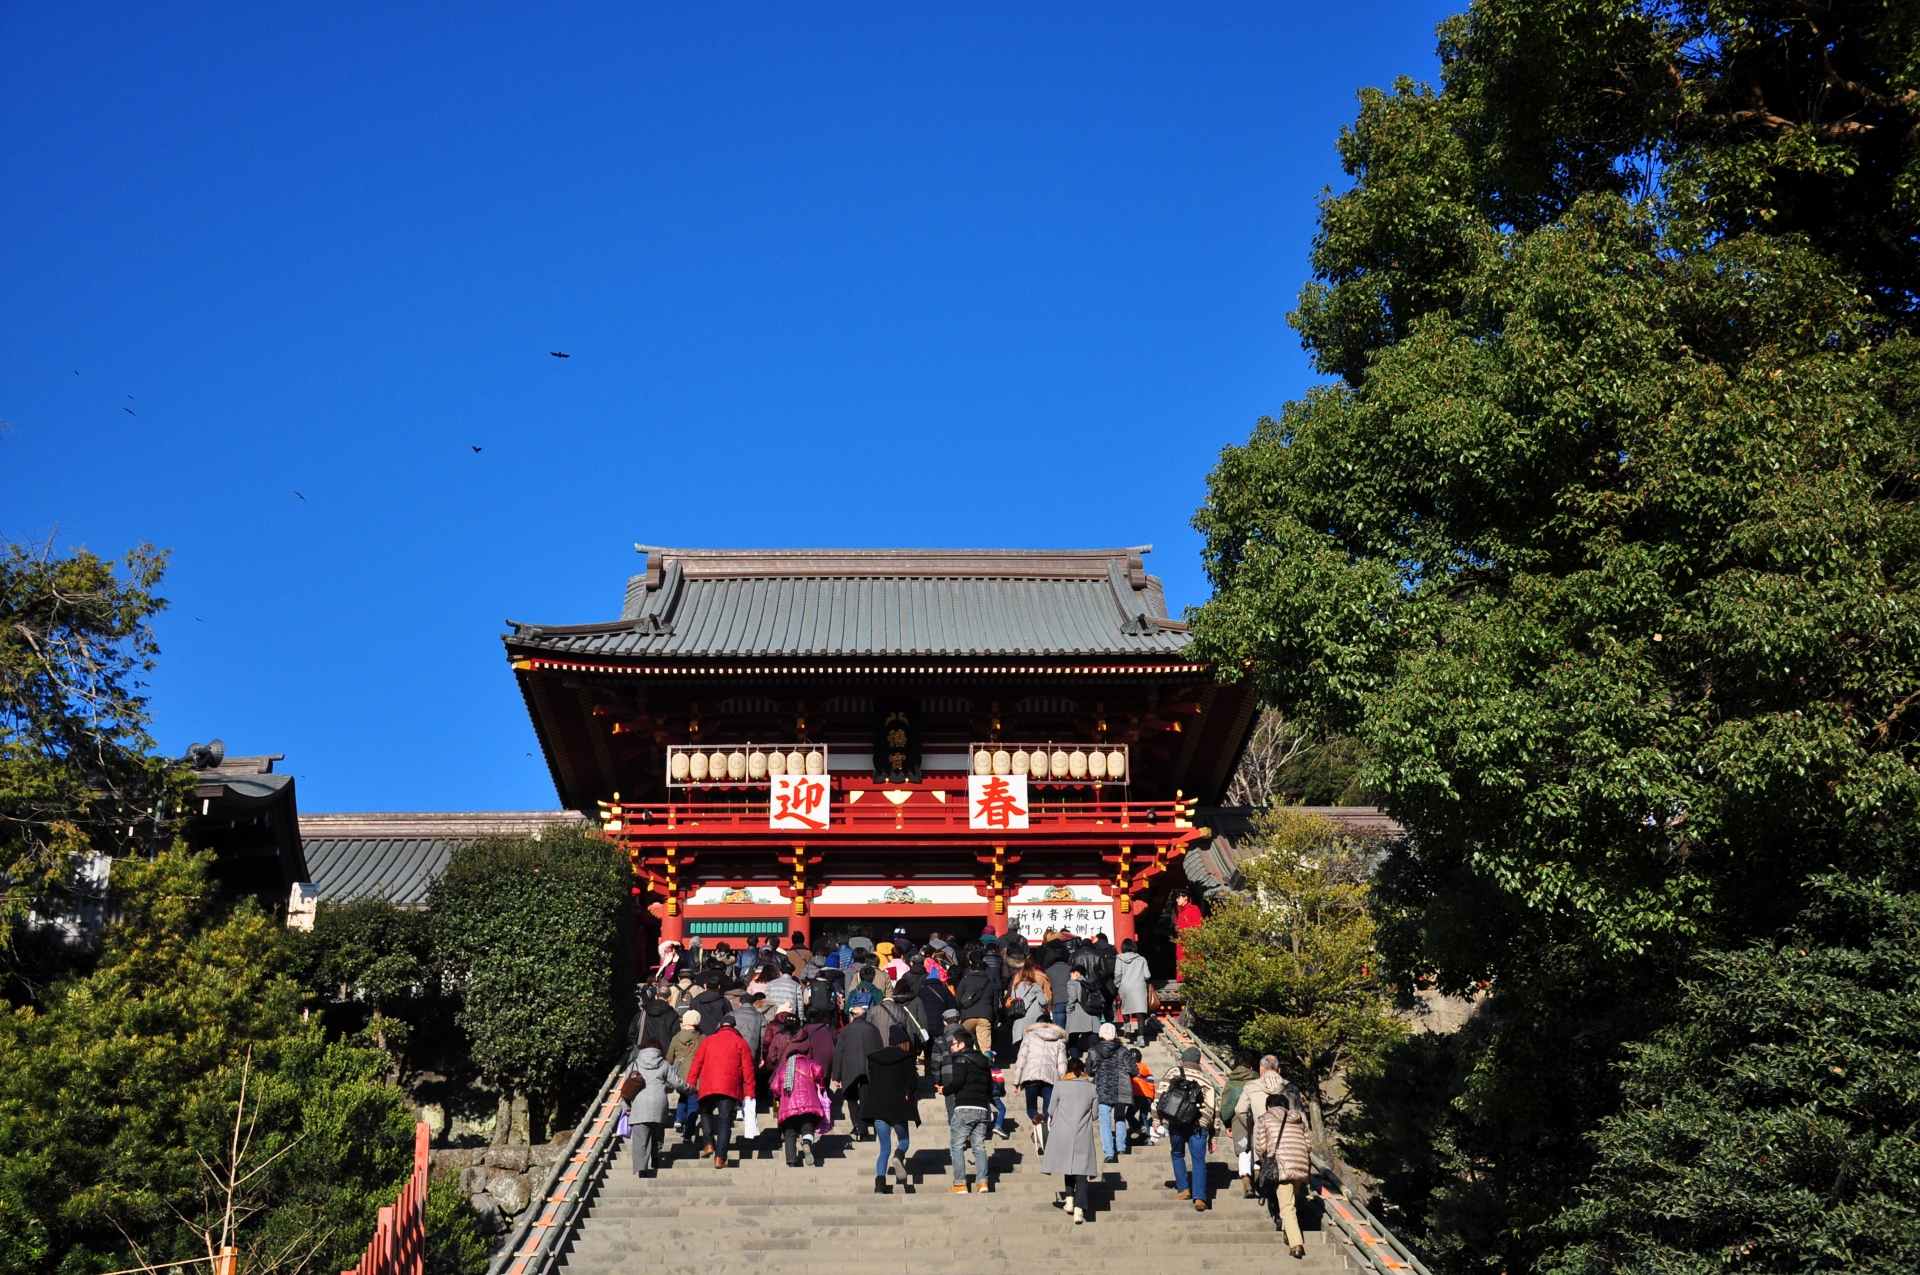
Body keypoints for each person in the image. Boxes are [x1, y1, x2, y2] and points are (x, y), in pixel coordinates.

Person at [683, 1012, 756, 1168]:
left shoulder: (708, 1041)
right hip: (729, 1087)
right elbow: (748, 1071)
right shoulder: (741, 1043)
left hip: (707, 1085)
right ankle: (720, 1158)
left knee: (705, 1112)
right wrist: (750, 1093)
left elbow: (696, 1064)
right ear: (735, 1027)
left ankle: (708, 1143)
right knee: (724, 1122)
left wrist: (690, 1084)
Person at [1041, 1055, 1102, 1224]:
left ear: (1067, 1070)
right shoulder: (1092, 1088)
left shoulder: (1060, 1086)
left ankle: (1069, 1198)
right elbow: (1095, 1115)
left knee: (1068, 1165)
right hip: (1082, 1133)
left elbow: (1051, 1109)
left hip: (1062, 1132)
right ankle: (1079, 1209)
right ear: (1082, 1071)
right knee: (1081, 1172)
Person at [1156, 1045, 1219, 1211]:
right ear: (1198, 1062)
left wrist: (1156, 1120)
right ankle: (1200, 1198)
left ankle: (1183, 1189)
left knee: (1177, 1154)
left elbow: (1161, 1096)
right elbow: (1215, 1109)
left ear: (1182, 1060)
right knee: (1199, 1161)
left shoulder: (1173, 1073)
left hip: (1177, 1121)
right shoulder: (1207, 1080)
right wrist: (1214, 1135)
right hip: (1200, 1124)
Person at [861, 1024, 921, 1193]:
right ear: (903, 1042)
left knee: (883, 1148)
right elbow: (913, 1083)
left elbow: (872, 1079)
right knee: (904, 1140)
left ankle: (879, 1185)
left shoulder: (874, 1058)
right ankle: (899, 1156)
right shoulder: (906, 1058)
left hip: (878, 1108)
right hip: (899, 1107)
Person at [1254, 1088, 1313, 1257]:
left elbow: (1260, 1146)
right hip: (1300, 1166)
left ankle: (1296, 1245)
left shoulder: (1265, 1119)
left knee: (1286, 1207)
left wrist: (1264, 1160)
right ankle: (1289, 1232)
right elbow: (1309, 1145)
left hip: (1281, 1166)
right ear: (1287, 1107)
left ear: (1268, 1108)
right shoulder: (1298, 1120)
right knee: (1291, 1202)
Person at [624, 1037, 685, 1176]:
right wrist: (690, 1089)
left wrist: (626, 1107)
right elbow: (676, 1083)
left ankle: (642, 1169)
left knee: (640, 1139)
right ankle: (656, 1158)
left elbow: (626, 1088)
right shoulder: (664, 1064)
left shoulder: (634, 1064)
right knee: (657, 1134)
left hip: (640, 1106)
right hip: (659, 1104)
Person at [943, 1032, 995, 1193]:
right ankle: (983, 1183)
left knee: (957, 1147)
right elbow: (990, 1087)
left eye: (954, 1044)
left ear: (962, 1044)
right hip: (982, 1108)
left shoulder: (960, 1060)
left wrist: (945, 1089)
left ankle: (960, 1184)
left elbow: (957, 1082)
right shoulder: (985, 1062)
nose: (951, 1047)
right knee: (979, 1147)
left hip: (964, 1107)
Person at [1232, 1054, 1291, 1198]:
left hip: (1262, 1134)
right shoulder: (1290, 1088)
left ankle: (1266, 1190)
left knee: (1264, 1160)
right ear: (1279, 1070)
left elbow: (1240, 1110)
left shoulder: (1251, 1087)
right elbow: (1301, 1116)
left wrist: (1251, 1126)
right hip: (1286, 1135)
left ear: (1261, 1069)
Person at [1006, 1019, 1066, 1152]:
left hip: (1031, 1076)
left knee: (1031, 1108)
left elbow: (1021, 1059)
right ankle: (1045, 1130)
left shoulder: (1029, 1036)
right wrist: (1063, 1082)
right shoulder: (1059, 1040)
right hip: (1050, 1078)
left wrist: (1016, 1082)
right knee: (1048, 1110)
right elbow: (1062, 1064)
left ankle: (1038, 1122)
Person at [773, 1038, 833, 1167]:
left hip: (788, 1106)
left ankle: (792, 1161)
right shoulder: (809, 1063)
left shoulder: (783, 1069)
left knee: (789, 1133)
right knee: (807, 1128)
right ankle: (806, 1143)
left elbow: (774, 1087)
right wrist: (821, 1086)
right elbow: (819, 1071)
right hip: (808, 1103)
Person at [830, 1001, 883, 1139]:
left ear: (852, 1016)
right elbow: (880, 1050)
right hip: (869, 1069)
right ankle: (862, 1128)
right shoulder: (873, 1029)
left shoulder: (846, 1030)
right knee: (865, 1098)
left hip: (850, 1069)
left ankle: (858, 1125)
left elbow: (839, 1053)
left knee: (851, 1097)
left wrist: (836, 1075)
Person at [1088, 1023, 1139, 1161]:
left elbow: (1089, 1071)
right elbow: (1134, 1070)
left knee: (1104, 1120)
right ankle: (1121, 1147)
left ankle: (1109, 1153)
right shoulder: (1123, 1050)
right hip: (1121, 1088)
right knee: (1120, 1117)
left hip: (1103, 1088)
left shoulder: (1093, 1050)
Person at [666, 1009, 704, 1143]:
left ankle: (678, 1119)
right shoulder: (702, 1038)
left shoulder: (677, 1037)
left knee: (683, 1097)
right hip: (696, 1075)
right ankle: (688, 1133)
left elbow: (669, 1057)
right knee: (693, 1104)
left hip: (680, 1075)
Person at [953, 949, 997, 1055]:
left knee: (964, 1041)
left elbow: (957, 1000)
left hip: (967, 1015)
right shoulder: (991, 984)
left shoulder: (964, 981)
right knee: (985, 1046)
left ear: (970, 966)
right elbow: (995, 1006)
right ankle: (989, 1065)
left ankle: (964, 1060)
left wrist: (959, 1016)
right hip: (985, 1016)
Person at [1007, 965, 1052, 1065]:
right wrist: (1045, 997)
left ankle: (1022, 1063)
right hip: (1033, 1018)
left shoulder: (1015, 987)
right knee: (1033, 1042)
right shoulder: (1035, 986)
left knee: (1022, 1044)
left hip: (1019, 1018)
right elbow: (1043, 1002)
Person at [1113, 938, 1153, 1038]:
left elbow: (1118, 973)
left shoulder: (1119, 958)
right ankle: (1141, 1038)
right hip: (1139, 986)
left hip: (1125, 986)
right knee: (1140, 1012)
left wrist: (1117, 984)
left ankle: (1127, 1026)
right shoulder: (1142, 959)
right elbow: (1147, 975)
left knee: (1125, 1007)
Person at [1063, 967, 1100, 1043]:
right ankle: (1094, 1054)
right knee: (1093, 1037)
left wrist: (1069, 1009)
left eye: (1071, 975)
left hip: (1078, 1012)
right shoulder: (1091, 983)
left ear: (1076, 974)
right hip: (1092, 1012)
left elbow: (1072, 997)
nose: (1070, 977)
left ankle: (1075, 1055)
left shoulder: (1071, 983)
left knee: (1073, 1038)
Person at [1173, 890, 1204, 978]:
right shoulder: (1182, 912)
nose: (1177, 900)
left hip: (1190, 943)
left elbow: (1197, 927)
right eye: (1176, 898)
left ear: (1186, 897)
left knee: (1191, 966)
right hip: (1182, 944)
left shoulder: (1193, 909)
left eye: (1179, 897)